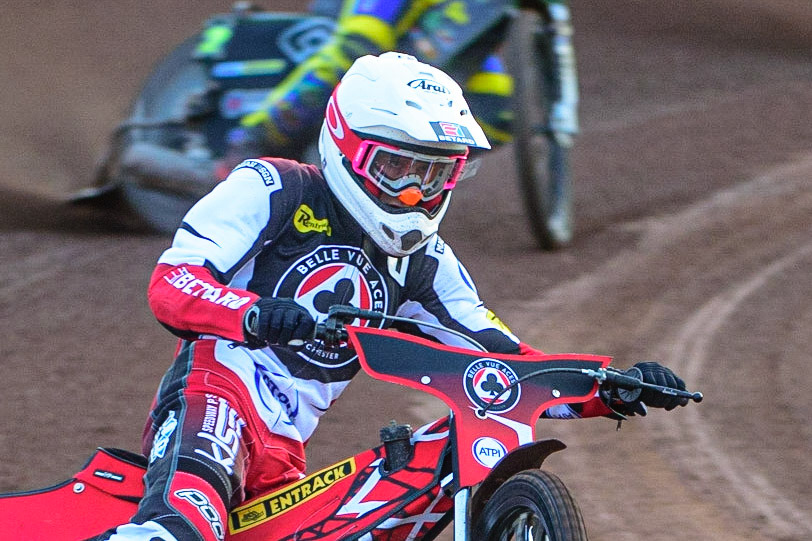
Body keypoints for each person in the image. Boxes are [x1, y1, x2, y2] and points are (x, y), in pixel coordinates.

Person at [92, 52, 686, 541]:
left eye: (433, 175)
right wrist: (255, 315)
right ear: (347, 146)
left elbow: (501, 363)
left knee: (432, 461)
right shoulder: (273, 187)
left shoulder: (424, 261)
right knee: (181, 529)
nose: (414, 193)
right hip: (217, 398)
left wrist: (605, 386)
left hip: (286, 454)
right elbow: (172, 285)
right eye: (399, 168)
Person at [216, 0, 579, 177]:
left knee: (500, 107)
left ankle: (399, 168)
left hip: (440, 15)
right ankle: (253, 138)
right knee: (357, 46)